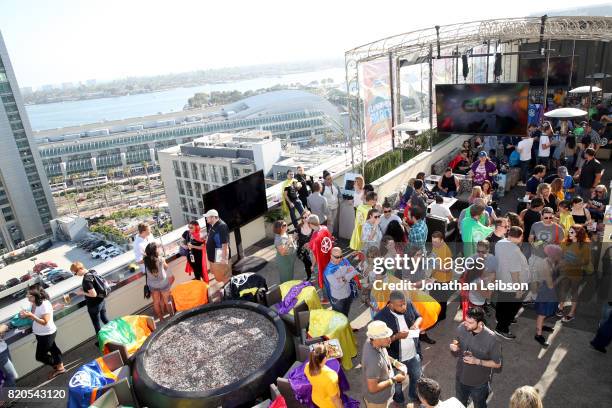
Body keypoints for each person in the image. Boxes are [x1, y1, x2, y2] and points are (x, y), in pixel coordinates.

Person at [374, 291, 423, 405]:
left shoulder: (409, 304)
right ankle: (399, 401)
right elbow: (378, 343)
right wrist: (397, 336)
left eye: (404, 303)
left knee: (416, 377)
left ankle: (413, 395)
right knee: (397, 384)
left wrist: (416, 324)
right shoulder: (380, 318)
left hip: (413, 354)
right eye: (400, 305)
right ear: (390, 305)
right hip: (395, 359)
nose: (404, 307)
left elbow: (419, 316)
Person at [449, 307, 502, 408]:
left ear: (480, 323)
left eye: (470, 322)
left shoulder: (492, 340)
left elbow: (497, 363)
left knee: (479, 405)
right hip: (460, 377)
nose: (466, 324)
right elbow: (456, 339)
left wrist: (477, 361)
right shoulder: (462, 327)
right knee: (460, 403)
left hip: (479, 383)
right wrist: (454, 345)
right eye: (465, 320)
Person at [20, 286, 65, 379]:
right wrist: (26, 315)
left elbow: (45, 322)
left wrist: (31, 315)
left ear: (35, 295)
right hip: (40, 333)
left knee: (40, 356)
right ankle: (60, 368)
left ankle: (58, 366)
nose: (27, 297)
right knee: (53, 349)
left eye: (29, 295)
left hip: (47, 333)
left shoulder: (44, 304)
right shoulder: (34, 303)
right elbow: (36, 313)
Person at [361, 320, 406, 408]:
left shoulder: (371, 341)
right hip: (377, 401)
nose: (390, 339)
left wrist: (395, 362)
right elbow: (372, 388)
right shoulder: (373, 361)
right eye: (385, 337)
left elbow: (383, 355)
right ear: (376, 338)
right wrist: (394, 379)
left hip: (383, 395)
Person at [494, 227, 529, 339]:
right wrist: (518, 289)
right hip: (512, 285)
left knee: (502, 303)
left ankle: (500, 319)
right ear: (520, 236)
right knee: (511, 307)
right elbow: (514, 273)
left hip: (502, 281)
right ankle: (502, 328)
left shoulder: (500, 242)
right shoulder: (514, 250)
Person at [557, 224, 591, 322]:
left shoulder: (584, 246)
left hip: (576, 273)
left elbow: (586, 261)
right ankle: (560, 307)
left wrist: (576, 262)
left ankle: (571, 313)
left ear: (578, 234)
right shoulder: (565, 242)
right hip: (564, 271)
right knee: (563, 289)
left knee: (574, 292)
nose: (569, 233)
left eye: (572, 232)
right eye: (569, 231)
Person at [533, 245, 562, 348]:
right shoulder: (545, 264)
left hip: (550, 292)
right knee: (542, 314)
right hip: (546, 292)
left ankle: (540, 326)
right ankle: (538, 334)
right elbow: (550, 285)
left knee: (545, 313)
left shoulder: (551, 261)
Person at [70, 262, 110, 335]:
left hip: (94, 305)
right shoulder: (92, 272)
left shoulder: (86, 280)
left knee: (97, 326)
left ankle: (101, 343)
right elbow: (95, 285)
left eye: (75, 273)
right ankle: (116, 333)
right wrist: (85, 288)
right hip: (101, 301)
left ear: (80, 269)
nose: (76, 275)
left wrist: (81, 292)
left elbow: (93, 294)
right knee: (104, 319)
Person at [304, 343, 343, 408]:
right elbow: (335, 399)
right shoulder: (331, 377)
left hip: (316, 398)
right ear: (325, 358)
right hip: (328, 403)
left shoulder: (307, 366)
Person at [143, 242, 175, 321]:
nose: (159, 249)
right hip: (163, 284)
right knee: (167, 300)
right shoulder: (161, 259)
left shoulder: (146, 261)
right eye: (157, 248)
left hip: (153, 285)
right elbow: (167, 269)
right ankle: (171, 316)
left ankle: (161, 318)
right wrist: (171, 278)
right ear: (155, 251)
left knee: (156, 302)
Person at [324, 247, 359, 317]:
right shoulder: (328, 270)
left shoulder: (344, 260)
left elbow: (352, 270)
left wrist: (341, 279)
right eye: (337, 257)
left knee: (345, 314)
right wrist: (348, 275)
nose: (340, 259)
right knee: (338, 318)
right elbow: (337, 286)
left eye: (341, 256)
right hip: (338, 299)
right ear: (331, 256)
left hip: (348, 294)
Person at [430, 231, 454, 321]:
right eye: (432, 241)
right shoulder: (435, 245)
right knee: (434, 297)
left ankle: (441, 316)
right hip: (435, 277)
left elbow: (447, 269)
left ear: (442, 240)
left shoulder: (446, 251)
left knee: (442, 300)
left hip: (443, 280)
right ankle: (436, 313)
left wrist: (435, 266)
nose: (433, 244)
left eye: (436, 242)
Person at [204, 209, 231, 286]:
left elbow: (224, 244)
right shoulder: (211, 225)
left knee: (224, 276)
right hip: (213, 257)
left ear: (213, 217)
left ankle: (228, 290)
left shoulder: (222, 226)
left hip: (219, 256)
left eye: (207, 217)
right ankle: (226, 287)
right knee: (218, 276)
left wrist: (223, 258)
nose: (206, 219)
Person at [308, 214, 333, 291]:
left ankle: (325, 298)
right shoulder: (325, 228)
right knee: (329, 275)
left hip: (320, 262)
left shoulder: (315, 239)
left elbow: (314, 255)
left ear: (311, 224)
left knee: (322, 278)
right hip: (328, 257)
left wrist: (312, 265)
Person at [321, 170, 342, 236]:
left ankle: (330, 235)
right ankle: (329, 237)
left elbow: (339, 194)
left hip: (335, 207)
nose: (330, 180)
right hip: (328, 209)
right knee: (330, 223)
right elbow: (320, 198)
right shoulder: (322, 187)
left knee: (333, 222)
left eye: (331, 178)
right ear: (324, 180)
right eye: (328, 179)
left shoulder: (335, 184)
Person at [296, 210, 314, 281]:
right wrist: (293, 238)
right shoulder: (299, 227)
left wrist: (310, 243)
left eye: (307, 216)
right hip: (302, 251)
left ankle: (311, 272)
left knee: (312, 263)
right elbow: (295, 235)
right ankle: (309, 277)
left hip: (312, 250)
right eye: (303, 217)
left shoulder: (313, 227)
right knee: (307, 263)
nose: (305, 219)